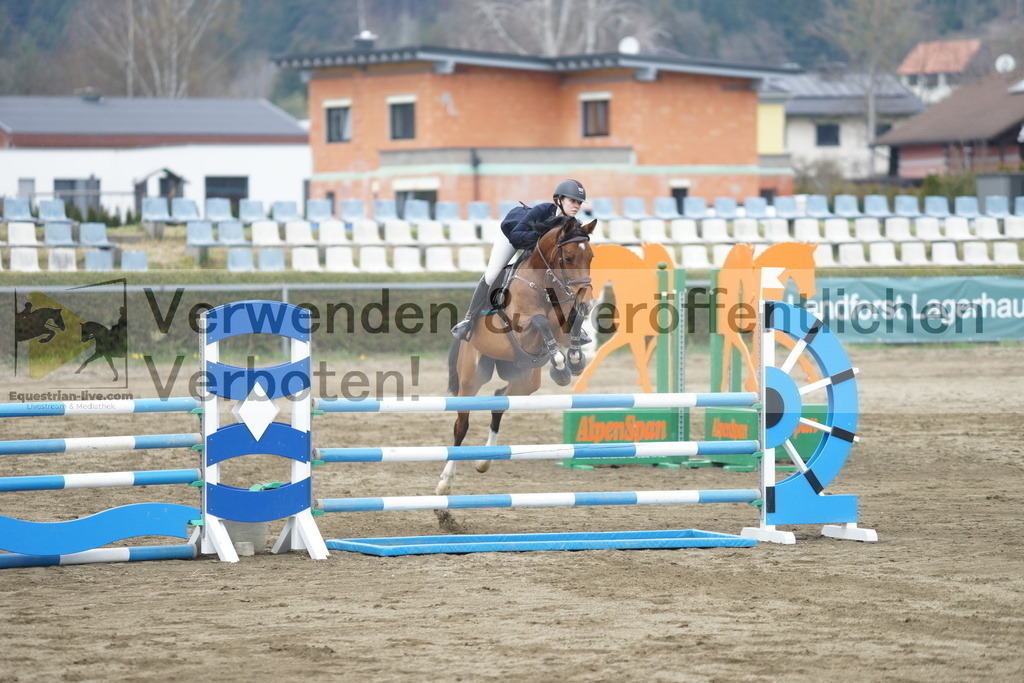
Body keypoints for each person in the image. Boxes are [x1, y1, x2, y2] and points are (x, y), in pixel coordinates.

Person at [451, 179, 588, 341]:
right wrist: (543, 236)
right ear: (559, 200)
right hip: (512, 234)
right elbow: (516, 237)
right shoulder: (542, 210)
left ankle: (571, 325)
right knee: (492, 273)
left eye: (579, 203)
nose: (576, 206)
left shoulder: (574, 224)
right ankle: (469, 320)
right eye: (572, 201)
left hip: (536, 249)